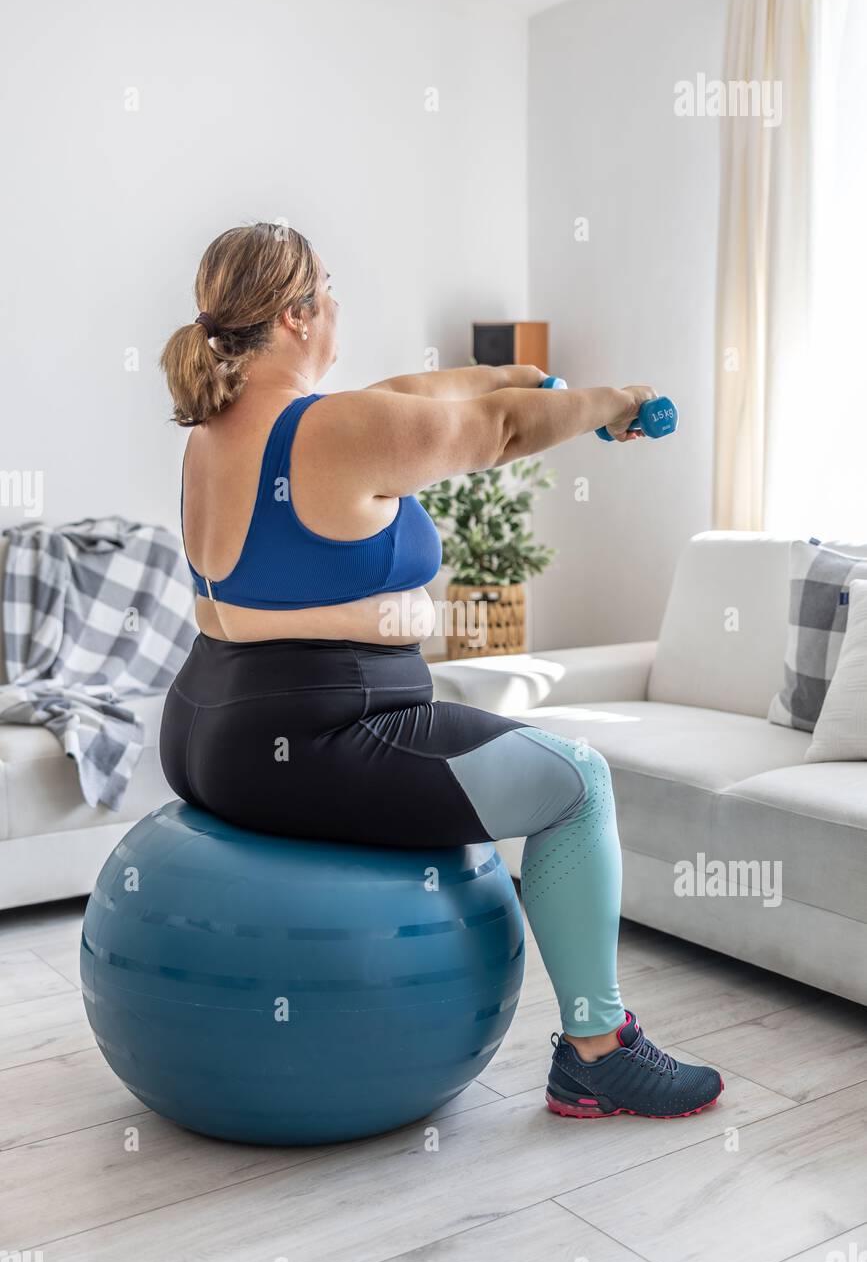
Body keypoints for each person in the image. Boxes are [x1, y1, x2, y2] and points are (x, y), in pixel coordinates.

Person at [159, 221, 723, 1120]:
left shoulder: (215, 430)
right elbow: (493, 433)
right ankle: (596, 1051)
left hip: (202, 726)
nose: (338, 304)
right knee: (576, 782)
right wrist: (611, 401)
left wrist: (518, 376)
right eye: (328, 288)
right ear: (299, 315)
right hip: (320, 736)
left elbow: (416, 394)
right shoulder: (337, 430)